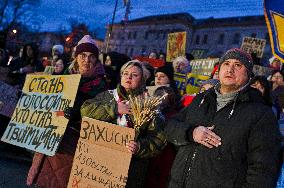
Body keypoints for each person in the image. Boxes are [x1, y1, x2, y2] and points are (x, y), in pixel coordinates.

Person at [164, 48, 281, 188]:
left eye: (238, 65)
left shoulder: (261, 114)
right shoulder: (202, 99)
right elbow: (169, 126)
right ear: (219, 70)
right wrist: (191, 133)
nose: (230, 69)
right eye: (226, 63)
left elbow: (263, 170)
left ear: (249, 75)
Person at [26, 35, 107, 188]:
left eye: (91, 57)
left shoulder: (100, 85)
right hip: (51, 139)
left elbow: (99, 116)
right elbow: (50, 106)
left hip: (73, 143)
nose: (86, 60)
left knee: (62, 181)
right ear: (76, 57)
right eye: (82, 55)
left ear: (96, 60)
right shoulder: (63, 76)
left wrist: (77, 113)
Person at [80, 60, 166, 188]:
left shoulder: (149, 106)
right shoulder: (108, 96)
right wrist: (114, 109)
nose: (128, 77)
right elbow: (85, 111)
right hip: (99, 165)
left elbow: (159, 139)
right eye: (125, 73)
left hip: (131, 170)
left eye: (134, 75)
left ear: (142, 79)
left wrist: (139, 147)